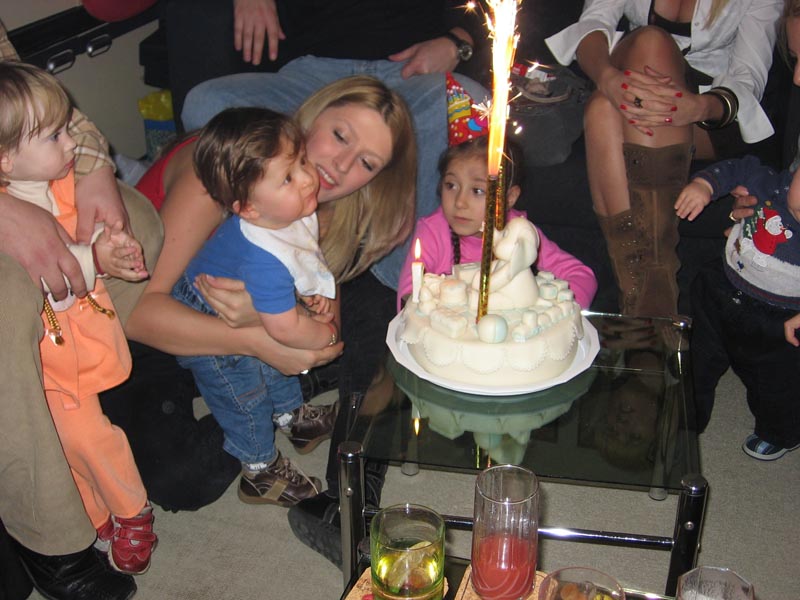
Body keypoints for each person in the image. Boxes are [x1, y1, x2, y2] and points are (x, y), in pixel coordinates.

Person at [125, 75, 416, 563]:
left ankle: (348, 503)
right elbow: (136, 313)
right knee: (187, 477)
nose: (341, 165)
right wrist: (255, 337)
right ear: (311, 115)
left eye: (367, 163)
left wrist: (286, 323)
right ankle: (269, 422)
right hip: (153, 332)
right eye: (340, 135)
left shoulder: (317, 202)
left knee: (380, 316)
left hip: (250, 327)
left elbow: (327, 325)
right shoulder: (224, 172)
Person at [0, 19, 162, 600]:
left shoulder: (57, 178)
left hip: (69, 350)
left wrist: (104, 243)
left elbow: (75, 266)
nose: (72, 144)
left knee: (86, 433)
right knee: (69, 439)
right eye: (56, 138)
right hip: (51, 346)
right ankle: (89, 517)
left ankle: (131, 509)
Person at [545, 0, 783, 317]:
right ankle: (654, 305)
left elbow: (747, 76)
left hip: (705, 108)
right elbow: (593, 23)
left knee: (602, 111)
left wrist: (698, 107)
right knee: (651, 43)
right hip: (627, 83)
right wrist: (608, 79)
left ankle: (642, 309)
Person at [170, 107, 339, 505]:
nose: (308, 178)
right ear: (248, 208)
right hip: (205, 323)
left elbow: (299, 265)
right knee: (245, 396)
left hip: (245, 295)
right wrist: (324, 335)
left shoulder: (283, 214)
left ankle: (292, 417)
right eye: (288, 177)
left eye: (302, 161)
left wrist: (306, 295)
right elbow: (284, 329)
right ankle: (259, 470)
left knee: (273, 364)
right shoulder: (264, 259)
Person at [397, 74, 598, 311]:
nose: (460, 202)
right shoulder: (433, 232)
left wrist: (562, 314)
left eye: (477, 190)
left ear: (510, 197)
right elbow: (408, 295)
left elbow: (581, 275)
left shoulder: (518, 231)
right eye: (451, 185)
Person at [680, 153, 800, 460]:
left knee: (775, 382)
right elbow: (737, 167)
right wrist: (704, 185)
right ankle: (685, 421)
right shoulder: (768, 183)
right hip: (722, 286)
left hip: (779, 317)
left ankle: (777, 432)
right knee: (697, 361)